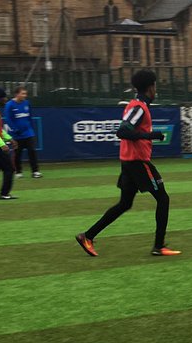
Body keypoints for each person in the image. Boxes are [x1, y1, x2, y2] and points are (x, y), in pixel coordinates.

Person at [75, 69, 180, 257]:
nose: (156, 89)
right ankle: (159, 246)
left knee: (125, 204)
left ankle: (87, 236)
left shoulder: (136, 105)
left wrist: (147, 136)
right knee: (163, 199)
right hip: (138, 162)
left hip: (128, 161)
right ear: (150, 87)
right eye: (155, 86)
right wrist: (149, 135)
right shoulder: (139, 107)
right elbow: (122, 131)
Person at [5, 85, 41, 178]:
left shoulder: (27, 103)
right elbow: (8, 119)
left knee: (32, 151)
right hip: (17, 134)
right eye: (23, 94)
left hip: (28, 132)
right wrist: (15, 129)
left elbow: (30, 116)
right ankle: (18, 172)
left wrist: (30, 127)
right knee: (18, 153)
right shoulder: (9, 105)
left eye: (25, 94)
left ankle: (35, 171)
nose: (25, 95)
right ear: (17, 94)